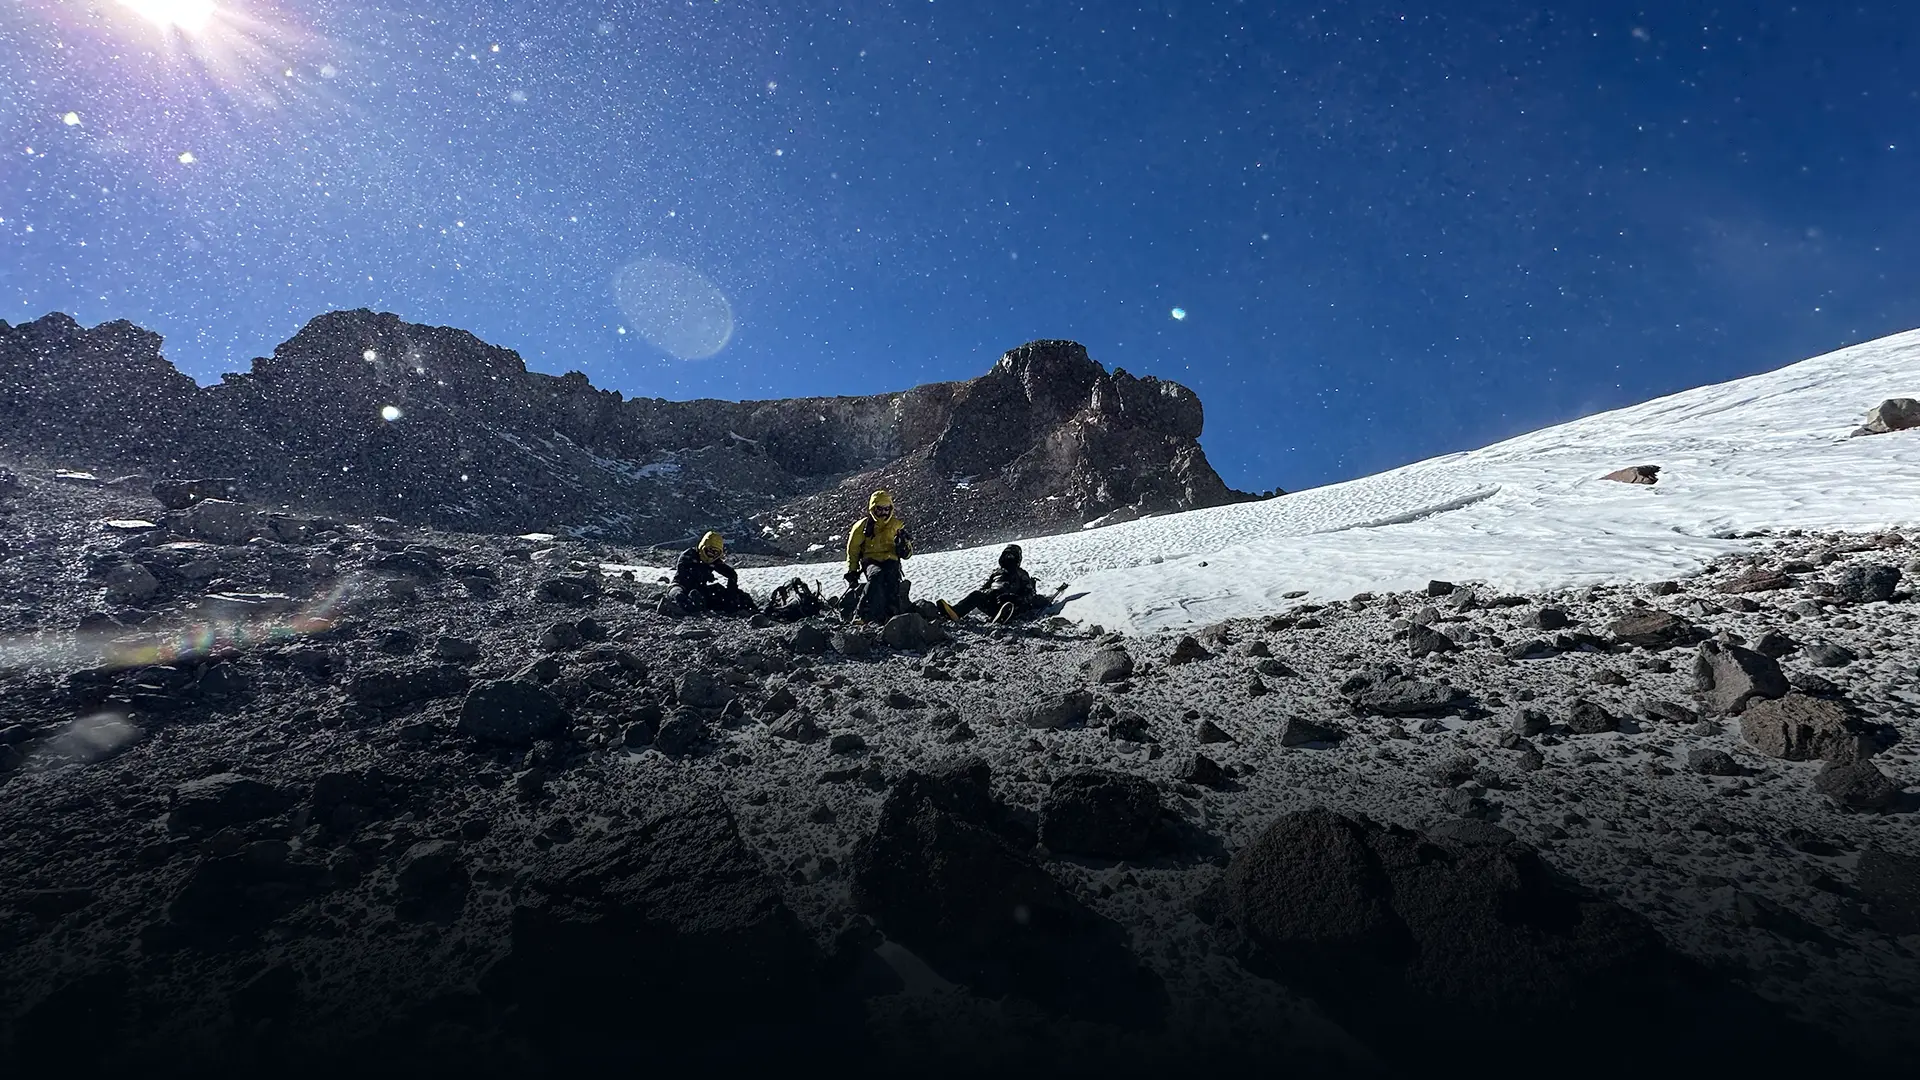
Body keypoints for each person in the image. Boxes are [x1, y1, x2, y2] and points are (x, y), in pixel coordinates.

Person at [844, 489, 912, 624]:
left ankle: (891, 613)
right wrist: (852, 570)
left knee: (892, 579)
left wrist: (904, 548)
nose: (883, 512)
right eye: (880, 509)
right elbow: (853, 550)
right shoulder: (861, 526)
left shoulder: (897, 526)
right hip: (870, 560)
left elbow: (908, 552)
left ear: (891, 508)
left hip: (891, 559)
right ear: (873, 508)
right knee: (876, 576)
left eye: (886, 509)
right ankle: (862, 614)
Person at [939, 543, 1049, 624]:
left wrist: (1019, 599)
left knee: (1010, 602)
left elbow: (1030, 592)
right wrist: (985, 594)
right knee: (976, 595)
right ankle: (955, 612)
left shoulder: (1021, 573)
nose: (1009, 560)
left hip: (1012, 602)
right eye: (1007, 557)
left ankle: (1007, 613)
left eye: (1011, 557)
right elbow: (983, 588)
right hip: (993, 601)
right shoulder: (996, 572)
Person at [660, 531, 755, 616]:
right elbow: (686, 571)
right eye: (709, 551)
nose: (711, 555)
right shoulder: (688, 555)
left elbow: (731, 574)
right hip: (680, 586)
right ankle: (671, 606)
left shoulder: (713, 561)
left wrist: (731, 592)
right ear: (702, 547)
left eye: (715, 553)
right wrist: (706, 570)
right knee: (679, 595)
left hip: (699, 591)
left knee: (731, 594)